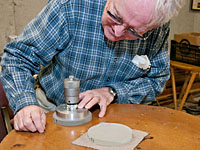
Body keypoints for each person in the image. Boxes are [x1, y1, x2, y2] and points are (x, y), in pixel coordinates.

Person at [0, 0, 184, 133]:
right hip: (52, 110)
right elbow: (18, 57)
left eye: (133, 31)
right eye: (116, 16)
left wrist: (113, 92)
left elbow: (157, 79)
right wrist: (25, 104)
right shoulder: (72, 5)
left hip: (117, 115)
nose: (118, 32)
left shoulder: (157, 26)